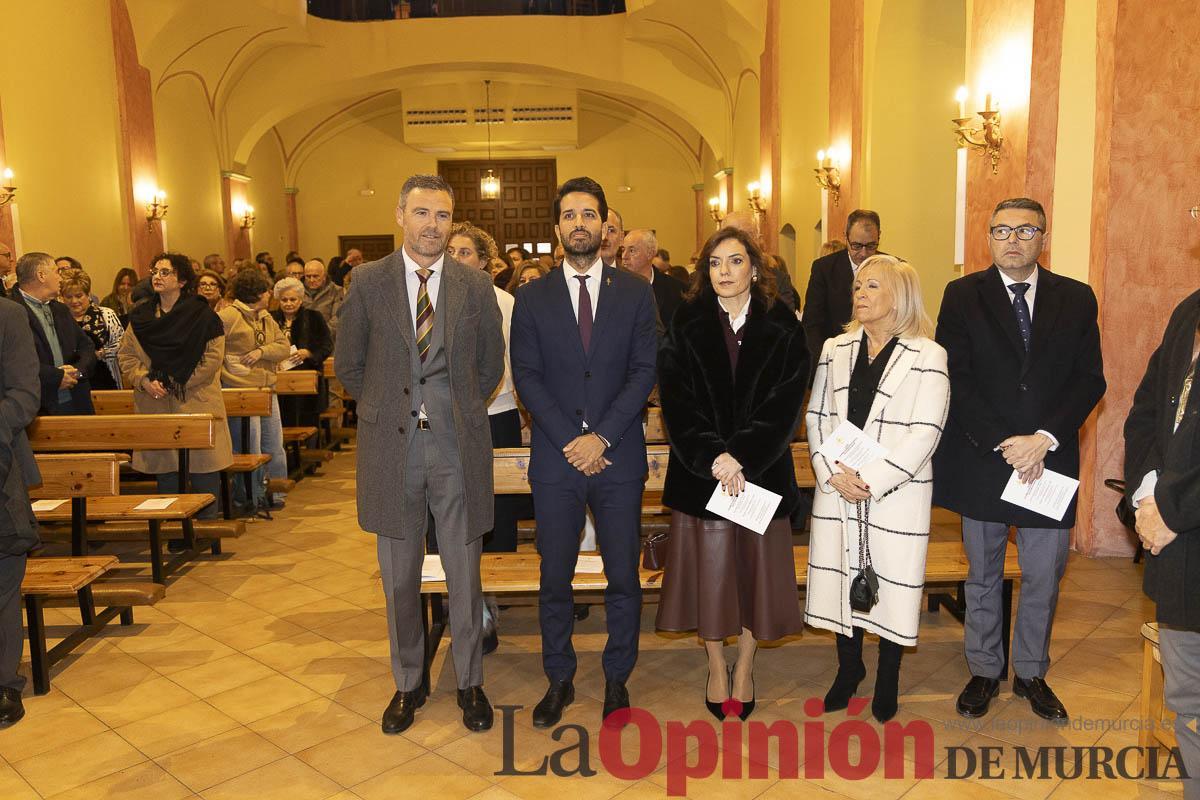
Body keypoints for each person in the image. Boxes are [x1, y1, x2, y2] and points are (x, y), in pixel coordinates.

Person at [336, 174, 505, 735]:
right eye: (422, 213)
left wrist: (454, 409)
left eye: (442, 215)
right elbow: (349, 366)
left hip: (457, 446)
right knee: (399, 578)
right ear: (400, 215)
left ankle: (470, 683)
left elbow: (488, 366)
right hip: (392, 449)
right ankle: (408, 683)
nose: (432, 225)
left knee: (464, 573)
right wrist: (387, 408)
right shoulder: (367, 282)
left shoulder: (473, 285)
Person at [934, 197, 1105, 722]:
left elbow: (1089, 378)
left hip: (1049, 461)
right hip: (984, 456)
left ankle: (1031, 671)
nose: (1012, 239)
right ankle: (985, 668)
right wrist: (1005, 442)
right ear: (988, 236)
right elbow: (953, 377)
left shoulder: (1075, 297)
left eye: (1025, 230)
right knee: (982, 573)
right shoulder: (963, 295)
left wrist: (1044, 438)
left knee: (1044, 573)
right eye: (1002, 229)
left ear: (1043, 237)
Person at [510, 176, 658, 729]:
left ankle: (618, 677)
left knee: (623, 573)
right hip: (555, 459)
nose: (579, 224)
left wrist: (602, 437)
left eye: (589, 215)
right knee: (556, 576)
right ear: (556, 230)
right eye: (569, 215)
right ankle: (559, 678)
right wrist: (574, 439)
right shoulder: (532, 297)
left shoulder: (636, 292)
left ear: (605, 228)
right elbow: (527, 376)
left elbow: (644, 371)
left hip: (618, 458)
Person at [655, 226, 807, 722]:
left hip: (760, 473)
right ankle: (716, 667)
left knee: (753, 580)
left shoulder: (782, 323)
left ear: (754, 268)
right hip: (703, 477)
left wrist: (740, 454)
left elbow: (785, 402)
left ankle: (745, 666)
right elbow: (677, 400)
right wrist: (713, 458)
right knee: (712, 579)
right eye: (715, 263)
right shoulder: (686, 321)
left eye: (735, 261)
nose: (724, 272)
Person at [806, 255, 949, 723]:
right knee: (844, 577)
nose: (859, 294)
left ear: (900, 297)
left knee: (892, 582)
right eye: (857, 287)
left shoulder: (928, 354)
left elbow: (926, 431)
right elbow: (817, 417)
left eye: (872, 286)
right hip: (839, 485)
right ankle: (849, 672)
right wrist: (831, 470)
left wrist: (872, 480)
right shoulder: (835, 347)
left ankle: (888, 678)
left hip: (895, 492)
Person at [1124, 287, 1200, 799]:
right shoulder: (1188, 310)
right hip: (1179, 552)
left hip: (1183, 521)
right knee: (1190, 697)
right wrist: (1148, 497)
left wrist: (1174, 511)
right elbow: (1148, 411)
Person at [448, 222, 522, 654]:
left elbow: (513, 362)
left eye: (465, 252)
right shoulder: (435, 300)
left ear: (484, 261)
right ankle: (463, 599)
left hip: (498, 415)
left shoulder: (505, 303)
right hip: (448, 422)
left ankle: (489, 597)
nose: (457, 258)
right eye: (451, 252)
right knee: (453, 510)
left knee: (497, 510)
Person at [118, 252, 232, 520]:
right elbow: (126, 355)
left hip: (195, 400)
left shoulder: (202, 315)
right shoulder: (142, 317)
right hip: (155, 402)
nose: (157, 276)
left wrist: (173, 382)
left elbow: (212, 359)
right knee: (167, 473)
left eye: (165, 272)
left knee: (203, 470)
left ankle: (206, 528)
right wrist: (144, 380)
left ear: (181, 280)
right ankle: (172, 527)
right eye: (154, 271)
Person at [0, 296, 41, 728]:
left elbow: (24, 396)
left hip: (0, 467)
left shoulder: (7, 315)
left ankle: (4, 684)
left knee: (2, 583)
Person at [219, 269, 291, 513]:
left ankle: (276, 491)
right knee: (250, 448)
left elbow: (283, 346)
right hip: (241, 392)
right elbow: (214, 350)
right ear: (255, 293)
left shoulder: (265, 317)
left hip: (266, 389)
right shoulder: (227, 317)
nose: (269, 294)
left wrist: (262, 352)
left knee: (274, 444)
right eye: (266, 290)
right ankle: (249, 496)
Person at [803, 211, 884, 384]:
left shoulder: (892, 268)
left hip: (879, 363)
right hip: (835, 362)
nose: (863, 253)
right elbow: (812, 325)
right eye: (856, 245)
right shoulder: (824, 269)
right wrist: (824, 366)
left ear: (879, 237)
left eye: (871, 246)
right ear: (845, 237)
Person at [9, 252, 95, 414]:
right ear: (41, 275)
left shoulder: (60, 309)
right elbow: (13, 362)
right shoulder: (10, 312)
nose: (61, 278)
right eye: (56, 272)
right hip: (38, 405)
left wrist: (77, 371)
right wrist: (56, 377)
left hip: (75, 398)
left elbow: (87, 346)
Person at [270, 276, 332, 428]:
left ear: (300, 299)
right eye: (284, 300)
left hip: (307, 377)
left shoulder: (314, 317)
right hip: (279, 377)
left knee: (307, 421)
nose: (289, 303)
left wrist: (309, 353)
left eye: (293, 299)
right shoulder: (271, 318)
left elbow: (326, 346)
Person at [720, 211, 797, 312]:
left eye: (747, 235)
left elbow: (786, 323)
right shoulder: (702, 280)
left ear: (758, 240)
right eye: (731, 235)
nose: (739, 241)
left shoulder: (778, 280)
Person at [59, 269, 123, 389]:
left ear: (88, 295)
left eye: (79, 296)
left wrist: (101, 354)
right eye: (68, 297)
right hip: (73, 382)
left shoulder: (107, 314)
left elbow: (121, 345)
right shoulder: (59, 320)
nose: (74, 301)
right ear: (62, 298)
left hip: (107, 379)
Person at [621, 228, 685, 328]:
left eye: (632, 250)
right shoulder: (613, 287)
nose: (624, 256)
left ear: (650, 253)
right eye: (623, 250)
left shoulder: (677, 290)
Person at [303, 258, 343, 335]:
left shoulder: (336, 291)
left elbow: (337, 318)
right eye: (308, 276)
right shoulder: (298, 290)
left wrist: (320, 334)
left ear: (324, 276)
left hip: (328, 338)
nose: (311, 280)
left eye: (315, 276)